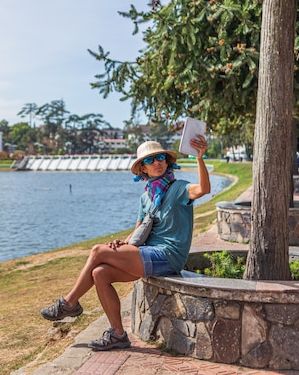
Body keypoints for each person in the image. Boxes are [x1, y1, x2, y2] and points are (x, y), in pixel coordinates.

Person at [40, 137, 211, 351]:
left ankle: (68, 303)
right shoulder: (145, 197)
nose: (157, 162)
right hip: (147, 254)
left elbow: (204, 189)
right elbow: (139, 230)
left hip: (168, 256)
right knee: (99, 273)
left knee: (96, 251)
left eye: (160, 158)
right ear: (143, 169)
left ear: (167, 162)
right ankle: (118, 334)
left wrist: (200, 159)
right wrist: (124, 243)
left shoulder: (178, 188)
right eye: (150, 161)